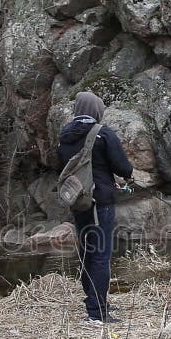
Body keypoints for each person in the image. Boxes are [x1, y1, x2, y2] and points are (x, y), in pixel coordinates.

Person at [57, 92, 133, 324]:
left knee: (88, 252)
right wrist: (124, 178)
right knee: (101, 255)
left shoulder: (65, 136)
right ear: (96, 111)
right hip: (101, 202)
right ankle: (97, 312)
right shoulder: (103, 133)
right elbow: (123, 167)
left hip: (78, 202)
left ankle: (93, 301)